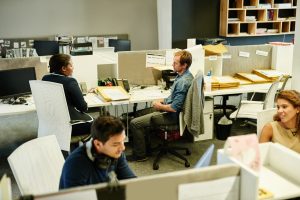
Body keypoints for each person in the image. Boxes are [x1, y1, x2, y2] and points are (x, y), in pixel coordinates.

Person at [127, 50, 194, 162]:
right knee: (138, 114)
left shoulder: (183, 82)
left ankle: (140, 155)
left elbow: (173, 108)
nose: (172, 65)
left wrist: (159, 106)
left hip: (172, 116)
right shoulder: (183, 76)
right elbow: (174, 98)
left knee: (134, 123)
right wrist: (162, 101)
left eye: (175, 63)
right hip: (170, 110)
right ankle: (146, 148)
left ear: (184, 65)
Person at [59, 115, 136, 189]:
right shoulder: (75, 165)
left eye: (123, 141)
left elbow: (132, 184)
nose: (123, 148)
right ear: (98, 144)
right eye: (116, 144)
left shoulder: (116, 153)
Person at [42, 54, 93, 136]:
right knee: (99, 125)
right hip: (69, 125)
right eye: (71, 65)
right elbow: (83, 107)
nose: (73, 68)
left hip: (52, 123)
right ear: (64, 68)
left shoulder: (45, 78)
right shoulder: (70, 81)